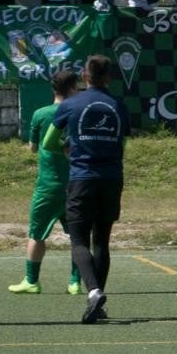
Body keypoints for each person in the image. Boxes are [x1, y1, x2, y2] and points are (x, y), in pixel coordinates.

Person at [44, 55, 129, 324]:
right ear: (109, 77)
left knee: (78, 239)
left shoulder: (70, 104)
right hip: (112, 177)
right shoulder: (119, 106)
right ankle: (98, 299)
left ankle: (93, 291)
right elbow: (121, 144)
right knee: (102, 240)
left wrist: (69, 151)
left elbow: (48, 142)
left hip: (82, 177)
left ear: (84, 75)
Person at [8, 70, 82, 296]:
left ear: (54, 89)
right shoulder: (79, 113)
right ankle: (75, 282)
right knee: (78, 236)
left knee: (37, 234)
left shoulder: (40, 114)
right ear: (72, 88)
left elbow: (32, 147)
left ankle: (31, 280)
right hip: (75, 184)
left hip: (48, 185)